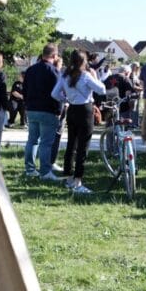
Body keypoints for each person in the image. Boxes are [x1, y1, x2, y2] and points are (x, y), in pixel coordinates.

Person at [51, 50, 105, 194]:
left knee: (71, 145)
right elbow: (102, 90)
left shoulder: (65, 75)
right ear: (83, 62)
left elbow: (54, 94)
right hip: (85, 111)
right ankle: (78, 181)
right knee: (83, 147)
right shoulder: (86, 76)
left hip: (72, 110)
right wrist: (96, 76)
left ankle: (68, 179)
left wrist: (66, 99)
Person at [22, 44, 62, 180]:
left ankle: (30, 169)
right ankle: (45, 172)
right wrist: (59, 110)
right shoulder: (54, 71)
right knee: (46, 143)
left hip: (32, 109)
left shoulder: (30, 70)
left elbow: (25, 90)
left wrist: (27, 105)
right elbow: (57, 93)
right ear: (54, 56)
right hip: (48, 110)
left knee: (32, 140)